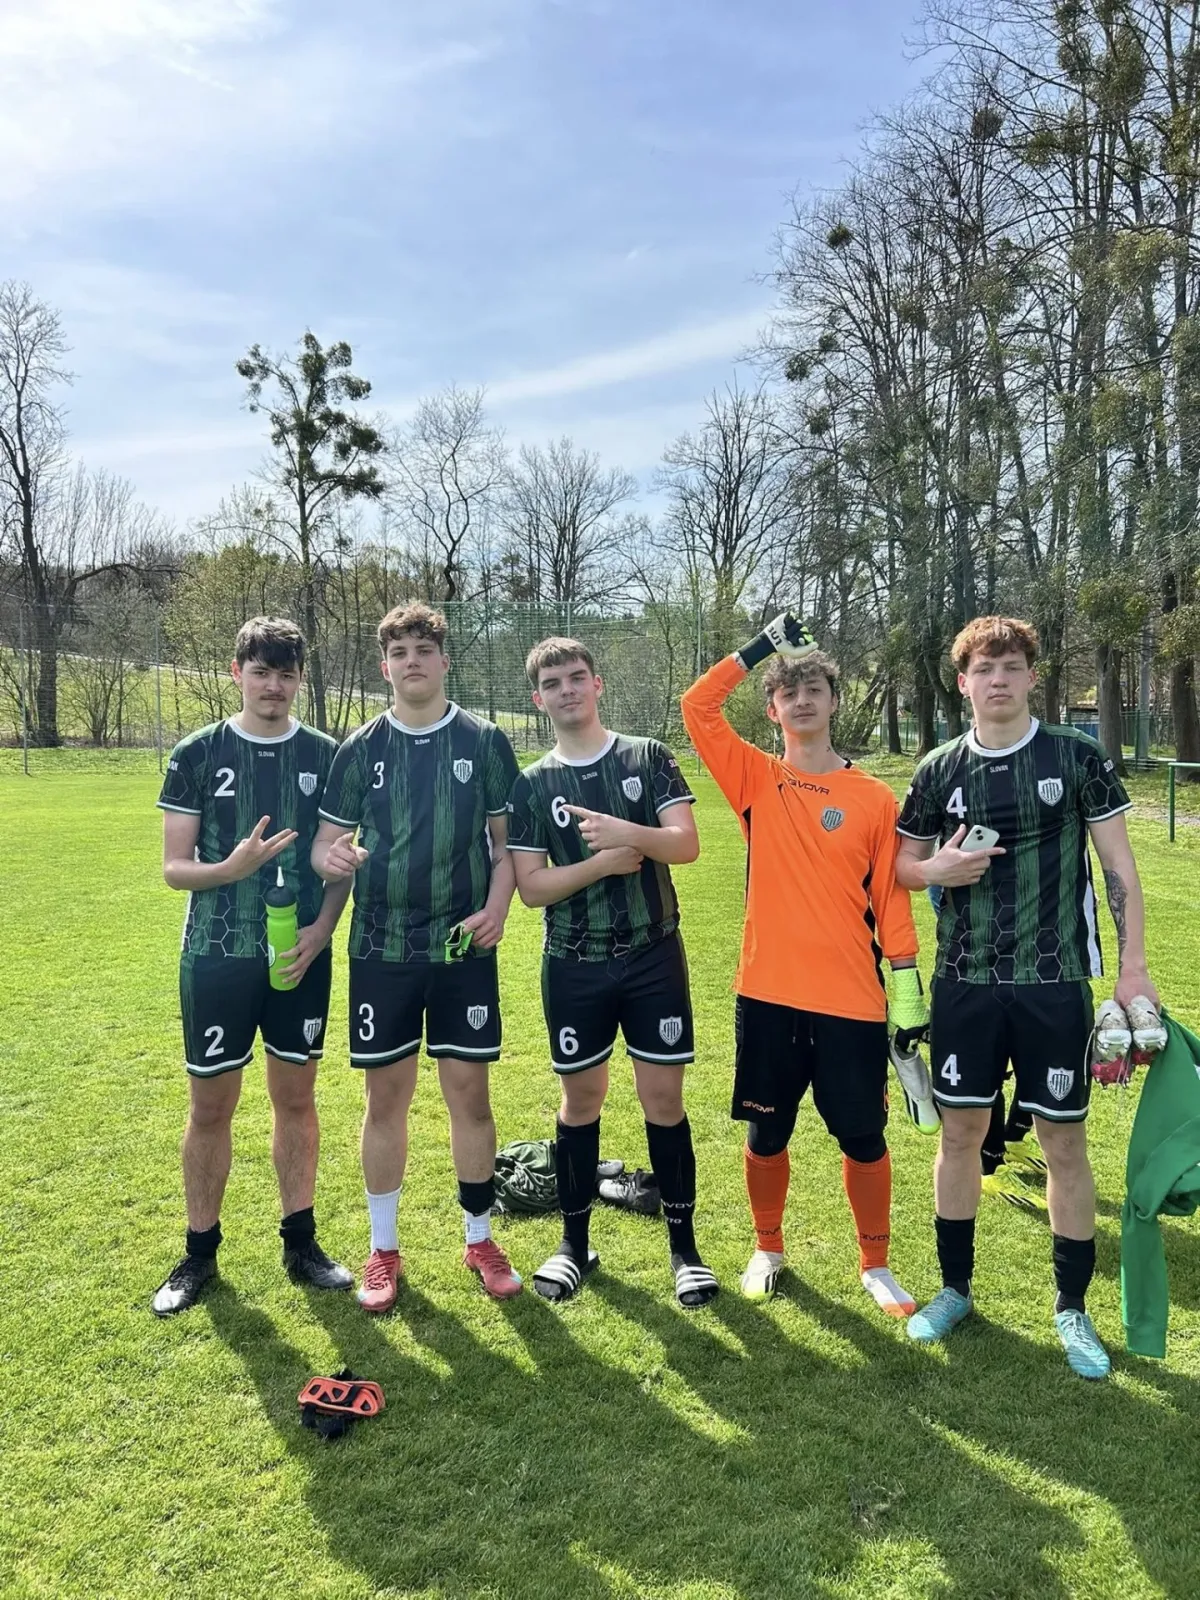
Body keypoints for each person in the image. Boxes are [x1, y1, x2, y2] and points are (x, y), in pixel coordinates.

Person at [895, 615, 1160, 1379]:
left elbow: (1118, 866)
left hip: (1053, 985)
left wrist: (1133, 968)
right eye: (985, 669)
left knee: (1063, 1144)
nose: (999, 680)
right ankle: (954, 1290)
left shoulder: (1075, 757)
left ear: (1032, 677)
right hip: (964, 985)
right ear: (963, 683)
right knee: (959, 1137)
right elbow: (903, 865)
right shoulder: (939, 768)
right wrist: (935, 871)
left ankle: (1072, 1308)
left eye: (1011, 666)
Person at [681, 614, 926, 1315]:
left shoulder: (874, 797)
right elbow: (697, 707)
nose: (802, 700)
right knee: (767, 1132)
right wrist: (761, 646)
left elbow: (890, 899)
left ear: (834, 701)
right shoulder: (756, 779)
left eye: (814, 688)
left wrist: (906, 986)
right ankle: (768, 1248)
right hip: (768, 994)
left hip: (852, 998)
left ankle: (875, 1264)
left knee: (864, 1137)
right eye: (788, 692)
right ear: (773, 711)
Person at [312, 602, 522, 1311]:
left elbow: (506, 847)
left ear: (443, 661)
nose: (412, 662)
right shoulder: (359, 748)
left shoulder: (485, 741)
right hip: (381, 947)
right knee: (385, 1100)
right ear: (385, 667)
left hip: (462, 947)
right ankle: (383, 1249)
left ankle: (479, 1237)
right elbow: (327, 846)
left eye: (423, 650)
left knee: (470, 1095)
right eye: (399, 652)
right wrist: (332, 857)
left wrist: (498, 908)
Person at [506, 637, 718, 1308]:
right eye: (552, 683)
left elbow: (685, 843)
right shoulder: (532, 783)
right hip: (573, 963)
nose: (567, 689)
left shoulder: (646, 756)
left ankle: (684, 1251)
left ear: (597, 684)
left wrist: (626, 832)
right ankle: (574, 1246)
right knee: (580, 1102)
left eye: (577, 677)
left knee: (664, 1101)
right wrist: (600, 862)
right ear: (538, 700)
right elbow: (532, 888)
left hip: (653, 955)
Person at [152, 616, 353, 1316]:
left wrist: (322, 932)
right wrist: (228, 869)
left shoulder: (327, 755)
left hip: (299, 958)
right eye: (260, 672)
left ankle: (302, 1244)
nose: (273, 686)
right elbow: (174, 867)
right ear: (237, 672)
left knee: (296, 1099)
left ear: (299, 679)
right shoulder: (198, 751)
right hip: (216, 957)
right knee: (212, 1106)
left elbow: (340, 863)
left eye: (285, 673)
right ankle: (199, 1253)